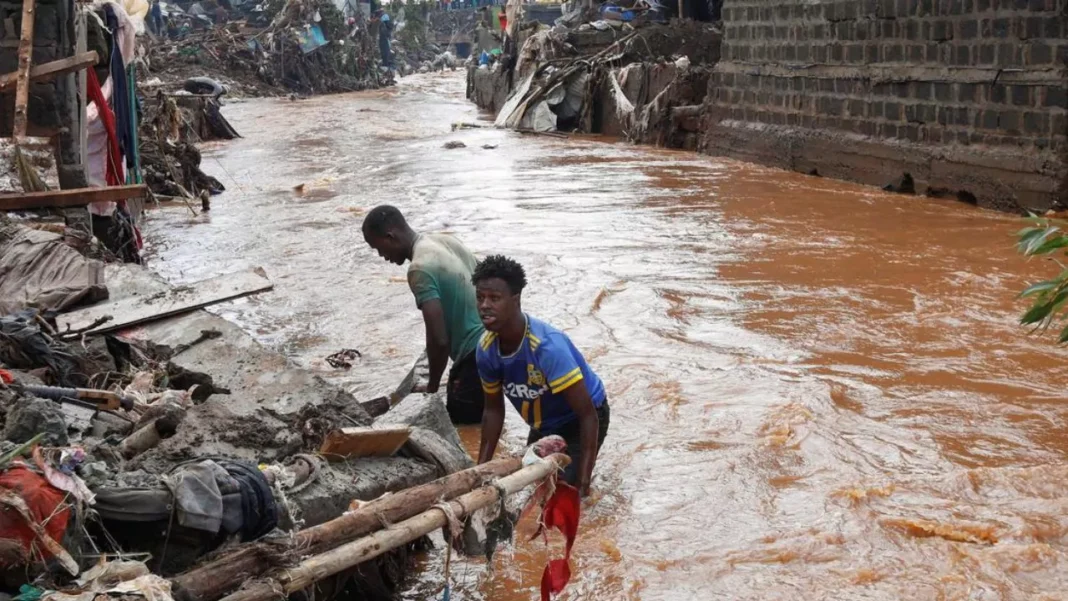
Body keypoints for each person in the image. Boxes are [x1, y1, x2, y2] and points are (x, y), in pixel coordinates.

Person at [473, 255, 610, 496]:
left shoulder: (546, 347)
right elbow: (493, 411)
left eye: (494, 298)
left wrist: (583, 483)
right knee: (533, 489)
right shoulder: (486, 349)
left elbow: (588, 414)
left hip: (581, 418)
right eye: (480, 297)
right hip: (544, 423)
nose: (484, 305)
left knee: (566, 493)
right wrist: (480, 473)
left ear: (515, 300)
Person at [362, 206, 485, 424]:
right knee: (488, 416)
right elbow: (488, 280)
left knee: (463, 428)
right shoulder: (444, 241)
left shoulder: (419, 269)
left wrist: (432, 388)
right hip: (495, 345)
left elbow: (438, 340)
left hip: (472, 357)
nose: (382, 256)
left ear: (390, 236)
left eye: (378, 248)